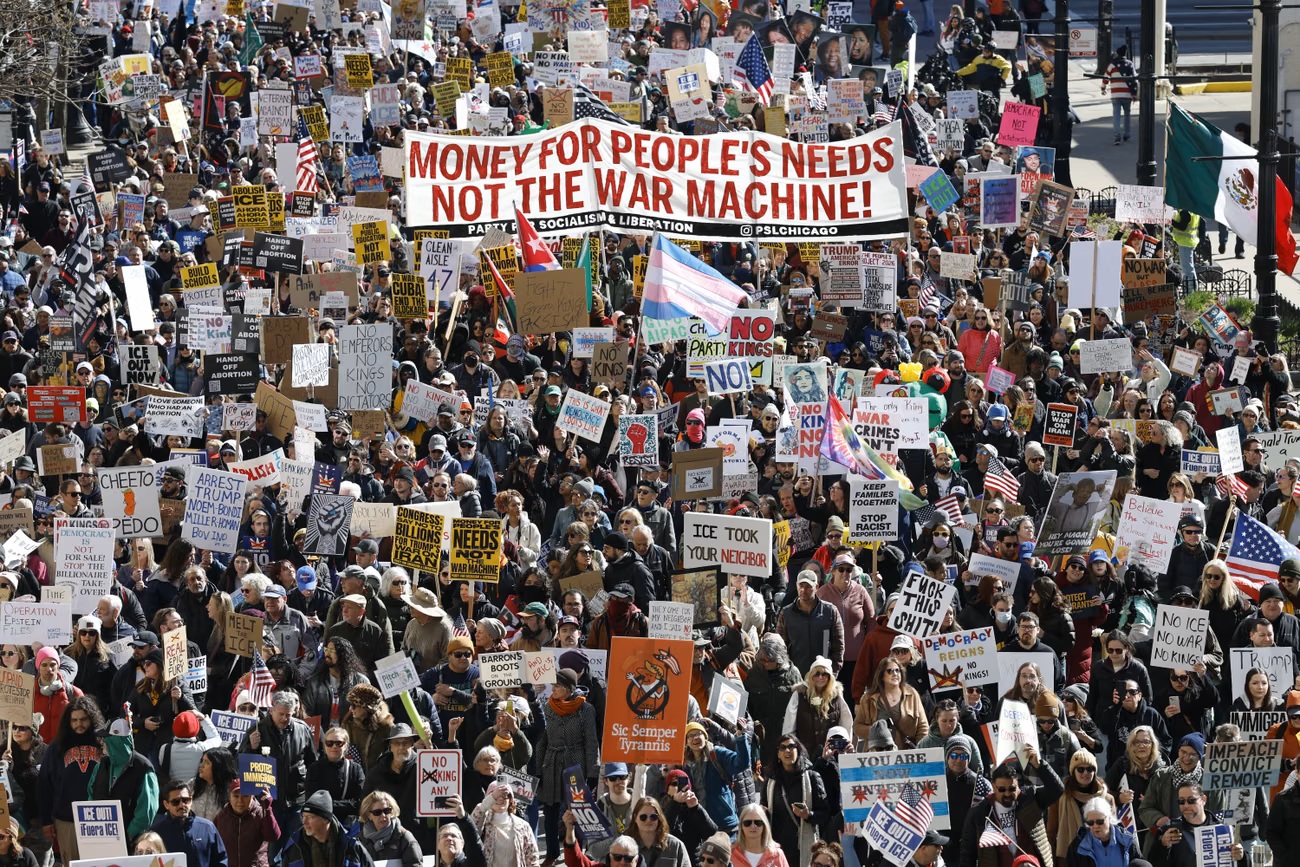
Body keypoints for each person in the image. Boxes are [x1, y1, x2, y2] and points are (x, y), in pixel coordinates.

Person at [958, 746, 1063, 867]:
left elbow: (1057, 789)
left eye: (1012, 789)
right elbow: (968, 853)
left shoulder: (1030, 799)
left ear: (1018, 785)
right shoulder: (981, 811)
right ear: (993, 787)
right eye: (1002, 789)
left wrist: (1039, 765)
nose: (1007, 793)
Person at [87, 714, 160, 846]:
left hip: (131, 842)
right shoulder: (101, 765)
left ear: (115, 741)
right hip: (101, 839)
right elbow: (90, 795)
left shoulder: (143, 768)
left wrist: (128, 834)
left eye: (105, 738)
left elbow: (146, 811)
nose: (102, 742)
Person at [280, 791, 375, 867]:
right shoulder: (294, 847)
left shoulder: (352, 846)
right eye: (303, 817)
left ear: (326, 820)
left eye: (310, 817)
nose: (304, 822)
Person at [150, 780, 230, 867]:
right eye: (176, 802)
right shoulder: (156, 833)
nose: (181, 805)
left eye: (185, 800)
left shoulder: (207, 828)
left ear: (191, 800)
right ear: (166, 804)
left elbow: (221, 860)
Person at [215, 781, 280, 867]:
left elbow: (273, 836)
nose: (240, 801)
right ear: (229, 797)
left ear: (252, 796)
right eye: (236, 796)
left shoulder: (261, 813)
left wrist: (267, 809)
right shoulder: (221, 816)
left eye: (245, 796)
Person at [357, 791, 423, 867]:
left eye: (386, 811)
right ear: (369, 815)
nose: (383, 815)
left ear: (392, 812)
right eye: (377, 812)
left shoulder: (405, 838)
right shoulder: (361, 839)